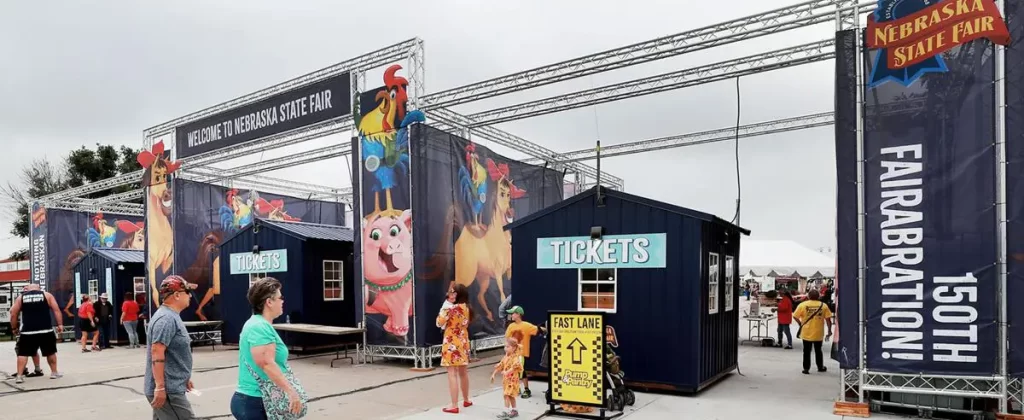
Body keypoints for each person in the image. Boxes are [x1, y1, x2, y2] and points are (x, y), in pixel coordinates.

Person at [230, 277, 306, 419]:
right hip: (255, 401)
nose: (283, 301)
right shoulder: (259, 326)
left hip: (256, 400)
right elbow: (266, 364)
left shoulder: (260, 324)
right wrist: (291, 391)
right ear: (269, 302)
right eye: (280, 297)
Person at [144, 276, 198, 419]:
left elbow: (173, 353)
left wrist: (183, 377)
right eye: (187, 292)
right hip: (169, 391)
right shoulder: (166, 319)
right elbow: (157, 352)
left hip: (173, 386)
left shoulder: (172, 316)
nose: (190, 295)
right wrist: (160, 387)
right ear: (176, 295)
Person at [9, 283, 63, 383]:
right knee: (50, 352)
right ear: (39, 288)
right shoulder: (47, 295)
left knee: (23, 353)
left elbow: (13, 313)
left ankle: (19, 376)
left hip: (27, 331)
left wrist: (14, 328)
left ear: (28, 289)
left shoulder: (21, 297)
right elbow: (56, 310)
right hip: (45, 330)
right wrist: (60, 324)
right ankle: (54, 373)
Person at [436, 284, 472, 414]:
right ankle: (466, 399)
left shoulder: (449, 308)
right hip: (463, 339)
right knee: (463, 372)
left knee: (452, 373)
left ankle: (454, 404)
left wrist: (445, 306)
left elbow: (439, 322)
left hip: (451, 340)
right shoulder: (465, 308)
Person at [505, 305, 545, 398]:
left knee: (521, 372)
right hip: (512, 354)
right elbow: (507, 338)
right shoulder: (511, 326)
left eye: (513, 313)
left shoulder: (526, 325)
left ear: (518, 314)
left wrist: (547, 329)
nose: (511, 315)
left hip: (521, 354)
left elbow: (537, 329)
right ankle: (516, 387)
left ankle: (527, 389)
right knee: (513, 371)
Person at [793, 289, 834, 375]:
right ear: (818, 296)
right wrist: (829, 331)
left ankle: (806, 368)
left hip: (806, 332)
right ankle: (820, 367)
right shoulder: (824, 306)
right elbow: (828, 320)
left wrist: (800, 323)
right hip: (818, 333)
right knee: (818, 350)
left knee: (806, 351)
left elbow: (795, 316)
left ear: (808, 296)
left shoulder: (802, 305)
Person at [491, 336, 524, 419]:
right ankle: (514, 410)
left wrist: (507, 372)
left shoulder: (515, 357)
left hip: (512, 381)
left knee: (506, 395)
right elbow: (501, 365)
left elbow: (515, 367)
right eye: (505, 346)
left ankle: (505, 411)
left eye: (507, 347)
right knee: (510, 396)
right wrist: (494, 374)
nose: (505, 348)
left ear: (513, 348)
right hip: (506, 381)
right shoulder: (506, 357)